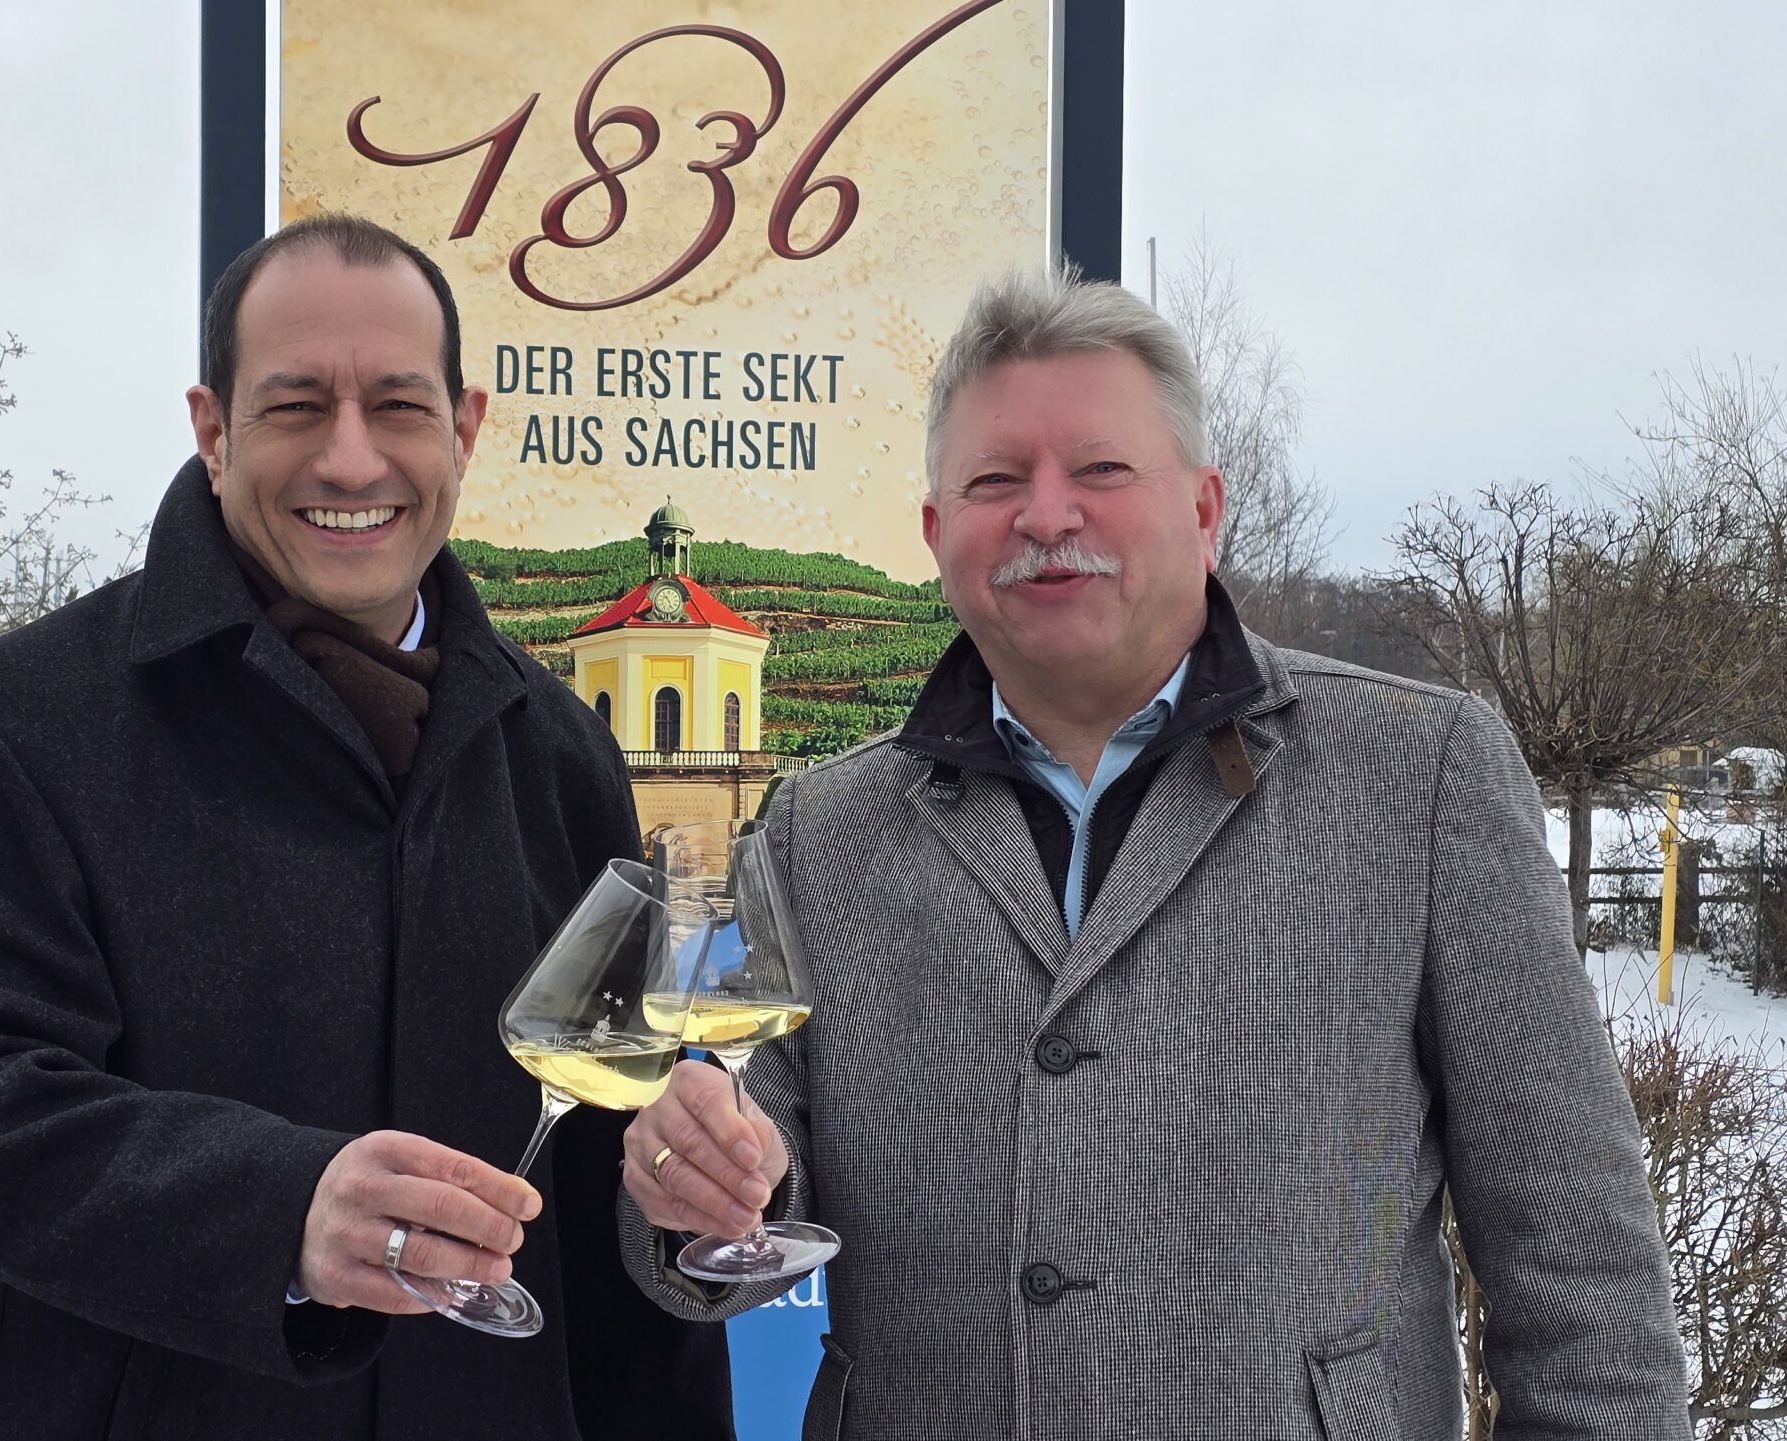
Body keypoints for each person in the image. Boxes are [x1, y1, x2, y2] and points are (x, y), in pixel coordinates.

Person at [617, 267, 1690, 1439]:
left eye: (1099, 469)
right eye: (993, 480)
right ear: (936, 533)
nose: (1044, 514)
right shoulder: (822, 829)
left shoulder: (1420, 774)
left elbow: (1575, 1255)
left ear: (1203, 506)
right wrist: (694, 1185)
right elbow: (725, 1203)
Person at [0, 212, 734, 1441]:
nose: (351, 459)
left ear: (464, 429)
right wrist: (276, 1211)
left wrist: (675, 1168)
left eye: (398, 405)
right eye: (295, 406)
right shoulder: (11, 724)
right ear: (213, 432)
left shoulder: (559, 750)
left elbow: (602, 1133)